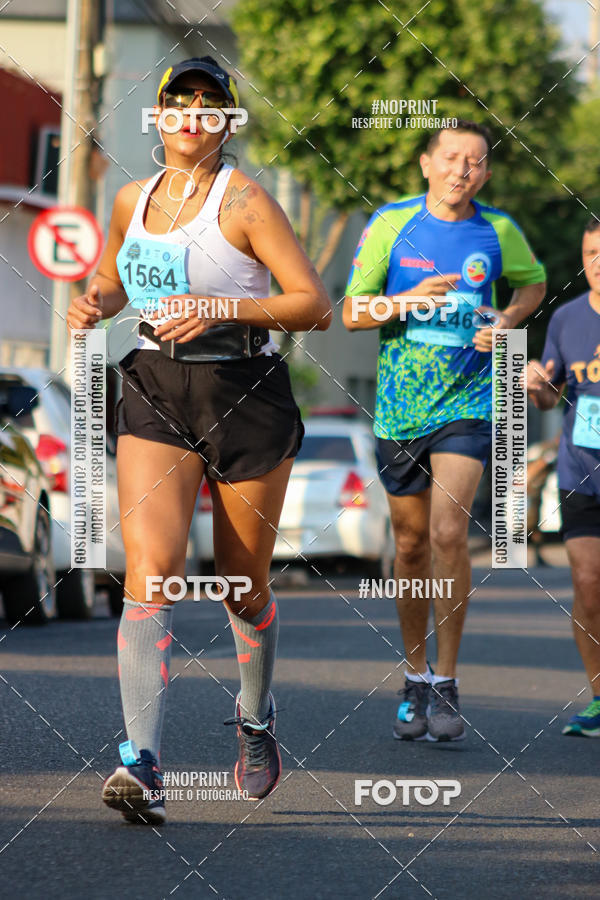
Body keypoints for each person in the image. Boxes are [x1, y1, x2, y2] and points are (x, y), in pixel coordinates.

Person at [66, 56, 331, 823]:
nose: (191, 113)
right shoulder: (131, 198)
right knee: (151, 567)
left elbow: (312, 303)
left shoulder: (246, 200)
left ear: (227, 120)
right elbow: (122, 278)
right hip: (155, 381)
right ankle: (140, 760)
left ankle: (255, 720)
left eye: (210, 103)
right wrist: (96, 300)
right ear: (157, 116)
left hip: (244, 390)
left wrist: (222, 306)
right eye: (178, 101)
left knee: (241, 583)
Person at [343, 120, 546, 742]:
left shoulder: (499, 229)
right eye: (452, 158)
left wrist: (505, 319)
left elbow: (533, 283)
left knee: (448, 531)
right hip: (402, 408)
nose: (463, 169)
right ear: (426, 164)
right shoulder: (390, 224)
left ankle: (448, 679)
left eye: (476, 161)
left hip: (471, 400)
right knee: (409, 546)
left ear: (485, 173)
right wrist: (406, 301)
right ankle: (414, 676)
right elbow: (352, 311)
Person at [527, 218, 600, 737]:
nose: (598, 261)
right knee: (587, 583)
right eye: (591, 252)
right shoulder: (567, 318)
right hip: (582, 473)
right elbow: (551, 394)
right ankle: (599, 698)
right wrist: (535, 385)